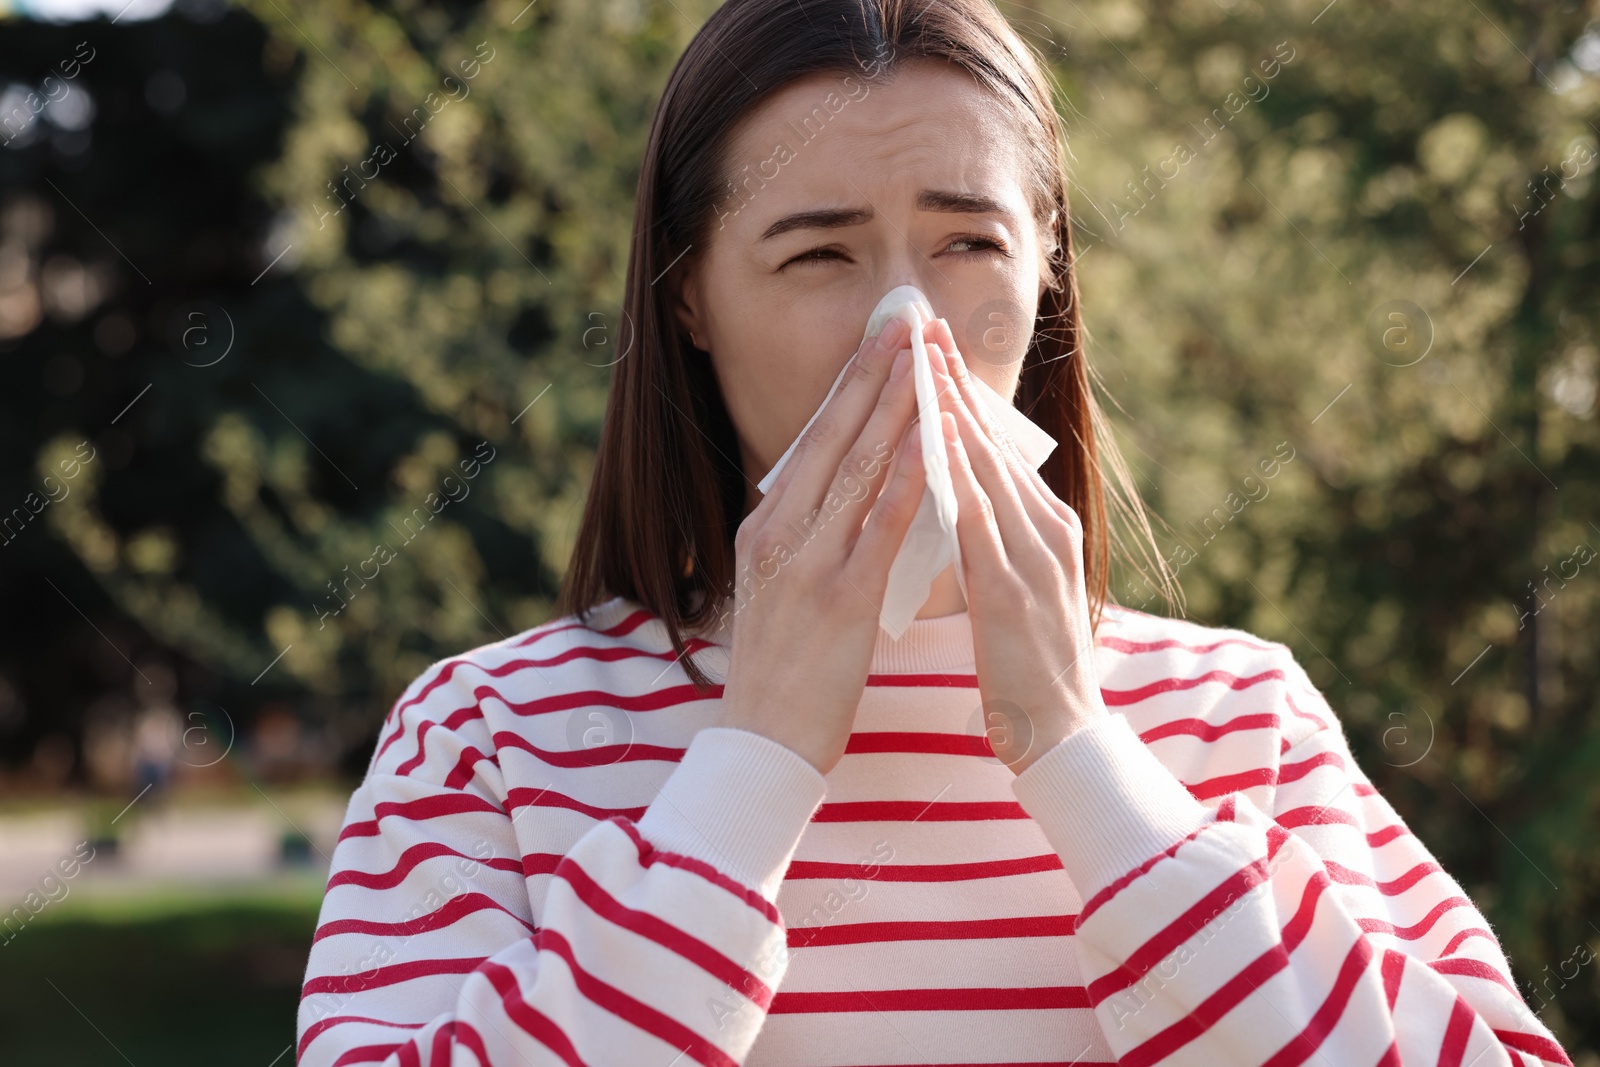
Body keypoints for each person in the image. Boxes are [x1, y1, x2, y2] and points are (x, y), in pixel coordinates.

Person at [295, 1, 1573, 1064]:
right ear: (688, 296)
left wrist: (1082, 758)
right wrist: (755, 759)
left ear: (1046, 270)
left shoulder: (1242, 715)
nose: (906, 327)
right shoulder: (492, 734)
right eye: (816, 256)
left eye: (968, 243)